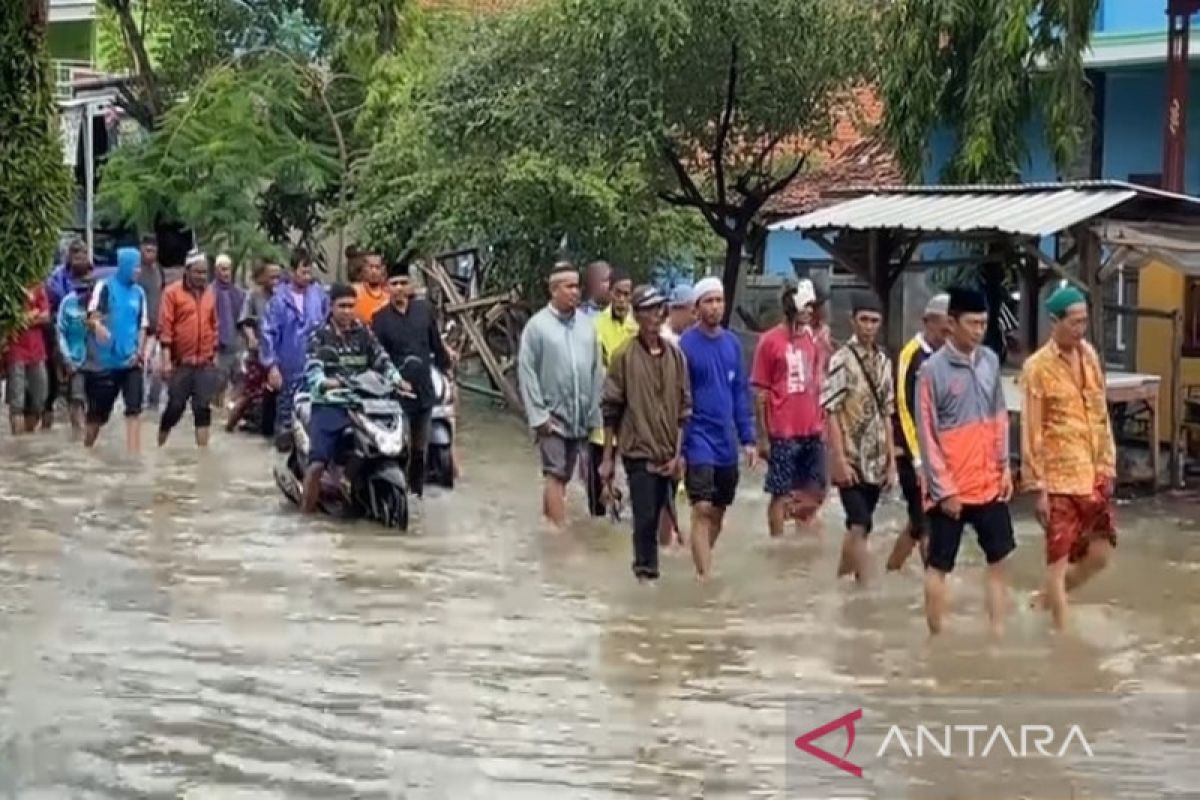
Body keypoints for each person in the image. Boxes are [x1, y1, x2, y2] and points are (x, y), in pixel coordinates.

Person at [917, 287, 1016, 637]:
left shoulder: (989, 360)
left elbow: (1000, 416)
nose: (979, 330)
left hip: (989, 480)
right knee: (939, 565)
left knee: (1000, 559)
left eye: (984, 323)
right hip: (950, 489)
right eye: (972, 323)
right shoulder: (931, 371)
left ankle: (998, 632)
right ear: (951, 325)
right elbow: (926, 437)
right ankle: (937, 638)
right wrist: (944, 490)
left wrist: (1005, 467)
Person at [1021, 286, 1117, 632]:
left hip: (1094, 473)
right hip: (1059, 479)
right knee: (1057, 565)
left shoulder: (1089, 355)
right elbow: (1031, 429)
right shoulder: (1037, 368)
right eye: (1074, 323)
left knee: (1101, 554)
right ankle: (1063, 644)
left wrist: (1108, 465)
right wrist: (1038, 487)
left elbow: (1100, 412)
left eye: (1084, 322)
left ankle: (1043, 601)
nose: (1080, 329)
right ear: (1054, 322)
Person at [599, 285, 691, 583]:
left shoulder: (676, 357)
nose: (656, 315)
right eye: (649, 310)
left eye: (659, 308)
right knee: (645, 518)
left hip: (669, 451)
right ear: (637, 316)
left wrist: (678, 455)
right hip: (637, 452)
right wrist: (608, 459)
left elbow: (683, 411)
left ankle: (656, 576)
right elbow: (611, 409)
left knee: (667, 516)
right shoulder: (623, 357)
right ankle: (644, 577)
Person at [301, 283, 404, 514]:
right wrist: (322, 382)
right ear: (331, 306)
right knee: (317, 463)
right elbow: (313, 366)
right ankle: (305, 514)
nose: (347, 311)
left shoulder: (364, 333)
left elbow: (381, 359)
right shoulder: (320, 335)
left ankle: (353, 480)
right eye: (342, 306)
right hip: (330, 403)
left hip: (364, 403)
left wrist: (397, 379)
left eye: (351, 306)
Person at [678, 277, 757, 579]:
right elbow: (678, 396)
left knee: (719, 512)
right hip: (697, 437)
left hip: (726, 440)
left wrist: (748, 438)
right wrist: (680, 446)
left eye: (719, 301)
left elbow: (739, 393)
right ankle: (705, 578)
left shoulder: (732, 344)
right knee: (701, 508)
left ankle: (700, 560)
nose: (715, 307)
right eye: (708, 301)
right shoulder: (685, 345)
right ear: (697, 308)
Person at [517, 261, 605, 528]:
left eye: (577, 286)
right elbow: (527, 373)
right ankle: (559, 536)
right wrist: (539, 416)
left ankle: (549, 522)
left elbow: (595, 370)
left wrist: (595, 414)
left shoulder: (587, 326)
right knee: (555, 473)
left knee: (565, 475)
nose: (575, 292)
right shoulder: (537, 327)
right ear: (554, 290)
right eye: (569, 287)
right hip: (551, 416)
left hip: (579, 415)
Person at [821, 291, 897, 583]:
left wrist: (891, 461)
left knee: (860, 526)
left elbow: (887, 414)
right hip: (851, 456)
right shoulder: (841, 360)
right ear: (852, 321)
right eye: (863, 320)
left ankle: (841, 579)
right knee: (860, 521)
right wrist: (838, 459)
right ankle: (866, 588)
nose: (868, 326)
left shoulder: (883, 362)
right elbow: (832, 411)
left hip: (876, 459)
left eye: (874, 321)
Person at [751, 279, 829, 538]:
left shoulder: (813, 339)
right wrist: (762, 437)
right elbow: (760, 392)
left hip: (812, 429)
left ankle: (802, 542)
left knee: (816, 492)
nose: (810, 311)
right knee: (780, 493)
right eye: (805, 306)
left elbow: (819, 383)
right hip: (783, 431)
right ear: (791, 306)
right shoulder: (769, 341)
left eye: (812, 306)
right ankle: (777, 543)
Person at [372, 260, 455, 500]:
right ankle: (395, 494)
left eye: (403, 283)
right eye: (394, 284)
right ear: (387, 287)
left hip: (424, 390)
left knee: (421, 449)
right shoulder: (380, 320)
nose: (398, 288)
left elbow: (436, 345)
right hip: (395, 395)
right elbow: (377, 357)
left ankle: (415, 495)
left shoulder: (424, 311)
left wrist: (447, 370)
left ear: (410, 286)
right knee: (399, 448)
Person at [886, 293, 951, 572]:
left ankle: (891, 570)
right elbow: (903, 407)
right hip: (913, 453)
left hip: (941, 452)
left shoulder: (949, 356)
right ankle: (934, 586)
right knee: (926, 525)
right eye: (943, 328)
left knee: (919, 521)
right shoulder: (910, 355)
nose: (947, 333)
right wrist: (917, 458)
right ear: (927, 322)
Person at [84, 246, 150, 452]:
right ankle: (86, 449)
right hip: (106, 362)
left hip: (131, 362)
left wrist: (140, 352)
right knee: (98, 415)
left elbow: (143, 325)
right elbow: (91, 315)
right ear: (125, 266)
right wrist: (98, 326)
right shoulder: (105, 287)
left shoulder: (139, 293)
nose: (139, 271)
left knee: (134, 410)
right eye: (136, 267)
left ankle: (134, 456)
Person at [260, 249, 328, 444]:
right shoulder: (278, 301)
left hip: (314, 367)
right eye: (303, 272)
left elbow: (326, 325)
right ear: (292, 272)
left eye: (310, 272)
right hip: (286, 368)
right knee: (285, 423)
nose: (307, 277)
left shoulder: (319, 296)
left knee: (313, 422)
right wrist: (272, 367)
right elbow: (268, 335)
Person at [586, 268, 638, 517]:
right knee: (598, 483)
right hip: (602, 412)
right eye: (618, 293)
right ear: (610, 293)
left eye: (627, 295)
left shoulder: (637, 328)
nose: (622, 300)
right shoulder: (594, 327)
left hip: (631, 415)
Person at [157, 250, 220, 448]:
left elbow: (214, 325)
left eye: (205, 273)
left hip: (204, 363)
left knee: (202, 408)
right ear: (187, 271)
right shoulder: (172, 293)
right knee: (175, 407)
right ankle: (161, 442)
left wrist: (214, 355)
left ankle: (203, 454)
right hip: (180, 363)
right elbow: (165, 328)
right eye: (198, 272)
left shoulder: (210, 295)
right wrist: (166, 361)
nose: (202, 277)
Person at [228, 259, 282, 434]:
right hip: (257, 353)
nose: (275, 281)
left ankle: (269, 429)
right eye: (271, 277)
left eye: (278, 277)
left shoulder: (284, 297)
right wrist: (251, 338)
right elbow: (245, 321)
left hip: (278, 354)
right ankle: (229, 425)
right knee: (250, 394)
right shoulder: (253, 295)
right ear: (262, 278)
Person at [44, 238, 92, 429]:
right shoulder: (57, 280)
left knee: (85, 395)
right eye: (76, 256)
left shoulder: (95, 279)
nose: (80, 260)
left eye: (83, 256)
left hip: (89, 342)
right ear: (69, 258)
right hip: (61, 337)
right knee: (55, 392)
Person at [5, 282, 52, 435]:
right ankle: (18, 444)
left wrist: (21, 320)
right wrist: (31, 316)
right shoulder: (7, 286)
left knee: (40, 397)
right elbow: (7, 319)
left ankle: (28, 436)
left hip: (37, 349)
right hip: (15, 347)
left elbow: (46, 316)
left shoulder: (37, 285)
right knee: (16, 402)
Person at [56, 274, 94, 436]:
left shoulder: (105, 303)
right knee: (76, 398)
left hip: (97, 359)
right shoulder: (68, 303)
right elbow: (61, 331)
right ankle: (78, 435)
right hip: (75, 358)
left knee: (95, 401)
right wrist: (66, 358)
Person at [135, 234, 169, 412]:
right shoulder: (135, 271)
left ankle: (153, 406)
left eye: (153, 251)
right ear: (140, 249)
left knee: (157, 369)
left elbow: (162, 295)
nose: (150, 254)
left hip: (156, 329)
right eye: (147, 250)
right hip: (136, 328)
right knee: (139, 369)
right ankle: (136, 404)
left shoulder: (159, 270)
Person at [212, 253, 246, 406]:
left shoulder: (238, 293)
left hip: (236, 344)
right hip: (218, 345)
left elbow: (243, 318)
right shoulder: (210, 292)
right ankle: (216, 408)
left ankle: (230, 406)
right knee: (218, 381)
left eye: (228, 269)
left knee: (241, 378)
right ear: (216, 271)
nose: (226, 273)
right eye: (223, 269)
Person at [353, 251, 389, 325]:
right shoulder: (354, 291)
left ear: (383, 270)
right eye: (371, 267)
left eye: (377, 267)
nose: (374, 271)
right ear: (363, 269)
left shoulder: (389, 294)